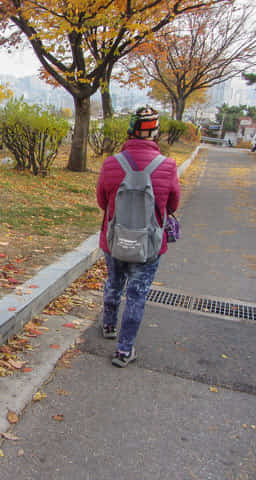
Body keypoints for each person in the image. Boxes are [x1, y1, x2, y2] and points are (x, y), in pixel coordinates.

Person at [96, 106, 181, 367]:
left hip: (114, 241)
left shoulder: (111, 163)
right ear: (155, 133)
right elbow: (173, 204)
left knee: (113, 283)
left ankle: (109, 325)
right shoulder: (167, 166)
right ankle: (124, 350)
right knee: (136, 295)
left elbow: (102, 201)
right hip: (149, 245)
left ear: (130, 131)